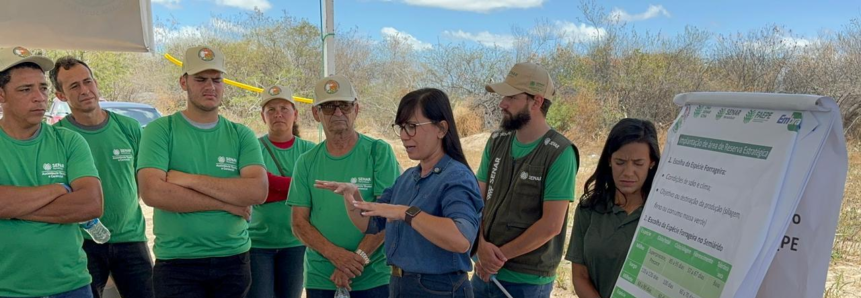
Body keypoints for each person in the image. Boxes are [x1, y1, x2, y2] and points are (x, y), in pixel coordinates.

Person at [317, 88, 483, 297]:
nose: (404, 136)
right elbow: (369, 224)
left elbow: (461, 239)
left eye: (412, 127)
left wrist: (406, 213)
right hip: (400, 284)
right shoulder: (408, 178)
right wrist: (353, 198)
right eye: (401, 127)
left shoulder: (456, 177)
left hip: (438, 288)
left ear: (441, 128)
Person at [136, 45, 268, 298]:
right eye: (201, 79)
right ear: (183, 82)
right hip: (177, 263)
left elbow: (257, 190)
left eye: (217, 80)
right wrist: (227, 204)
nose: (210, 87)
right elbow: (153, 192)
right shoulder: (161, 130)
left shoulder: (241, 134)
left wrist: (187, 179)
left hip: (234, 260)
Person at [0, 47, 103, 297]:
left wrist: (13, 210)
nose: (39, 97)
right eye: (26, 89)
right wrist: (57, 190)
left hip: (71, 284)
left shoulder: (69, 141)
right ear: (1, 95)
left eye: (43, 88)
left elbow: (90, 205)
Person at [472, 62, 580, 298]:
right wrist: (480, 245)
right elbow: (476, 200)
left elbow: (551, 225)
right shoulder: (496, 141)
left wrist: (496, 258)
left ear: (537, 101)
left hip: (527, 282)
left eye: (511, 97)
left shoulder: (560, 152)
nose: (502, 104)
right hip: (483, 272)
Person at [50, 56, 154, 298]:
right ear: (61, 95)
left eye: (88, 82)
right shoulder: (57, 137)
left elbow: (140, 181)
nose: (85, 90)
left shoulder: (128, 128)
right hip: (80, 242)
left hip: (131, 239)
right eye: (74, 86)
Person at [287, 75, 399, 298]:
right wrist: (336, 256)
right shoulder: (306, 162)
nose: (338, 112)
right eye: (329, 107)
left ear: (356, 109)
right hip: (322, 278)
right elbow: (299, 223)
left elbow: (389, 215)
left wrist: (355, 261)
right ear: (316, 114)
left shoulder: (379, 152)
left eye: (345, 105)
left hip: (373, 277)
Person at [567, 118, 660, 298]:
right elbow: (579, 276)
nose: (628, 172)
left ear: (652, 163)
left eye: (638, 163)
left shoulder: (663, 213)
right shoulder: (589, 208)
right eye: (620, 162)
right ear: (609, 160)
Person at [248, 85, 315, 298]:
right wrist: (298, 190)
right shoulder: (252, 147)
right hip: (257, 244)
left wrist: (268, 189)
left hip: (297, 243)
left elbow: (316, 189)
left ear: (295, 114)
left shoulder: (310, 150)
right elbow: (252, 189)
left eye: (284, 108)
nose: (278, 114)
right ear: (262, 116)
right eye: (271, 109)